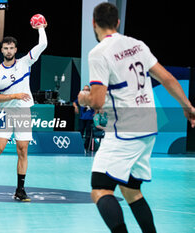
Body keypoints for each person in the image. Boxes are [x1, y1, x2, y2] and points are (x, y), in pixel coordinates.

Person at [78, 3, 195, 233]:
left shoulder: (98, 53)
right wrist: (187, 106)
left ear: (94, 23)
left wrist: (83, 98)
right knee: (131, 189)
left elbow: (97, 101)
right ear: (118, 22)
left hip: (125, 129)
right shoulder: (137, 45)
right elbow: (168, 78)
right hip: (148, 126)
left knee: (100, 189)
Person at [0, 19, 48, 202]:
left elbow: (43, 43)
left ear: (15, 49)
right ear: (2, 50)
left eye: (11, 48)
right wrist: (15, 96)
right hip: (3, 113)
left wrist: (41, 27)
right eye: (5, 48)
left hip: (23, 112)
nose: (9, 51)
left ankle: (20, 190)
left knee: (22, 150)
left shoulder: (25, 63)